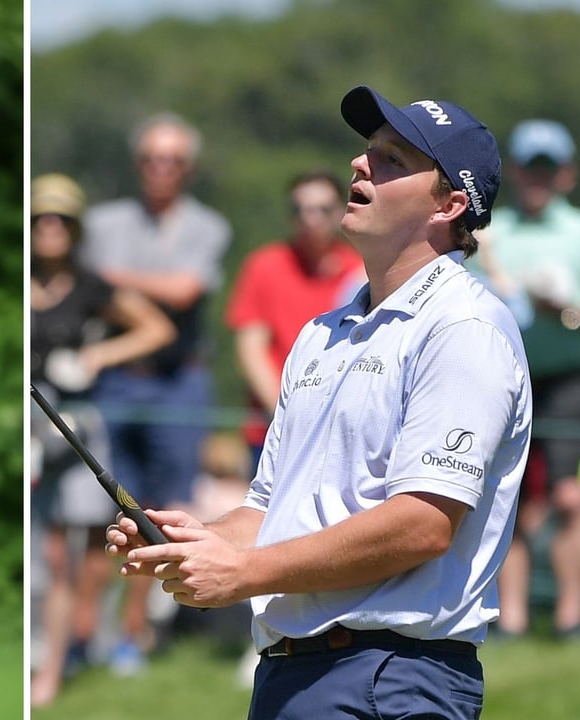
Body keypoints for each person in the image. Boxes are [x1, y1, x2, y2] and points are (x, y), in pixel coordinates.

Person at [107, 86, 532, 719]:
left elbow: (423, 522)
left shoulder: (465, 328)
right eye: (368, 152)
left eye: (392, 159)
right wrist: (201, 541)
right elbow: (269, 509)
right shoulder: (320, 333)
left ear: (449, 205)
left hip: (390, 678)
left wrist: (247, 574)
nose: (361, 165)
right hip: (292, 674)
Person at [467, 118, 580, 646]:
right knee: (505, 498)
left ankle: (570, 617)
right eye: (530, 167)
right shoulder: (488, 231)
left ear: (565, 173)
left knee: (569, 498)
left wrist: (568, 311)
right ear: (515, 171)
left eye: (548, 167)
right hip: (500, 375)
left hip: (564, 380)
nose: (538, 177)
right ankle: (510, 619)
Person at [78, 112, 232, 675]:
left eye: (172, 160)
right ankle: (83, 632)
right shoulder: (102, 222)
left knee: (161, 511)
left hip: (178, 380)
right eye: (150, 158)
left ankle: (135, 632)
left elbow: (184, 290)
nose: (160, 169)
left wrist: (113, 279)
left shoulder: (207, 225)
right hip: (116, 378)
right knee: (99, 508)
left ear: (187, 169)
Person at [28, 172, 175, 706]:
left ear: (74, 228)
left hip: (72, 425)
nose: (49, 228)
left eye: (60, 219)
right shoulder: (20, 280)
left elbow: (155, 327)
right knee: (43, 551)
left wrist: (96, 356)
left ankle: (65, 657)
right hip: (26, 421)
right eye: (41, 218)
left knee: (81, 550)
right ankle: (46, 655)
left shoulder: (91, 286)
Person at [225, 170, 364, 479]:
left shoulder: (361, 273)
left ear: (342, 210)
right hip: (271, 433)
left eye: (322, 210)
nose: (310, 219)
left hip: (338, 437)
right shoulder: (264, 266)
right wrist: (287, 417)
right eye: (300, 210)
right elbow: (251, 350)